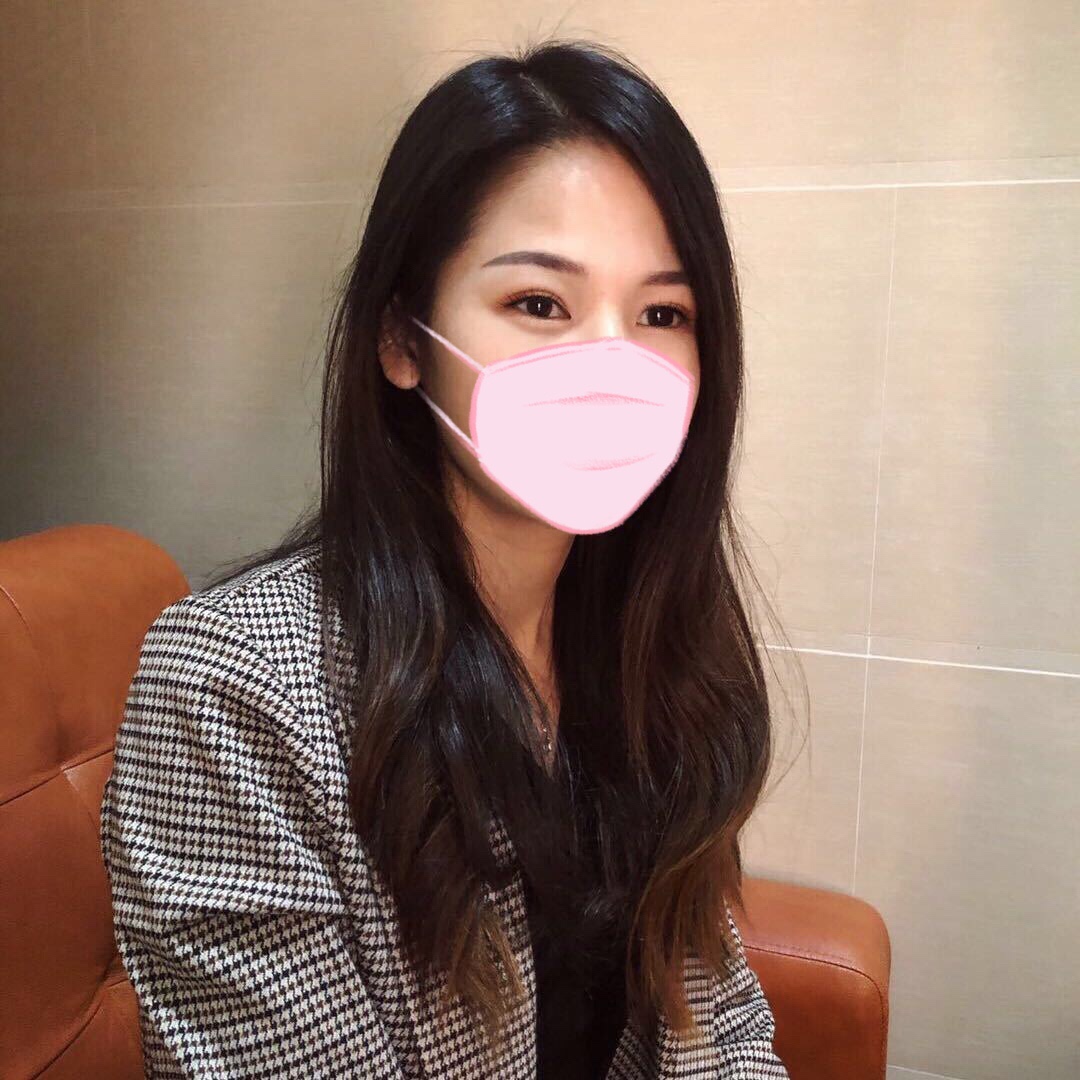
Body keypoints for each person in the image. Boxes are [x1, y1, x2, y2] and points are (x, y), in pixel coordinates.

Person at [101, 37, 790, 1079]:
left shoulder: (651, 646)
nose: (610, 362)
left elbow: (719, 1024)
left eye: (663, 314)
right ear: (402, 340)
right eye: (539, 304)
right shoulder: (233, 688)